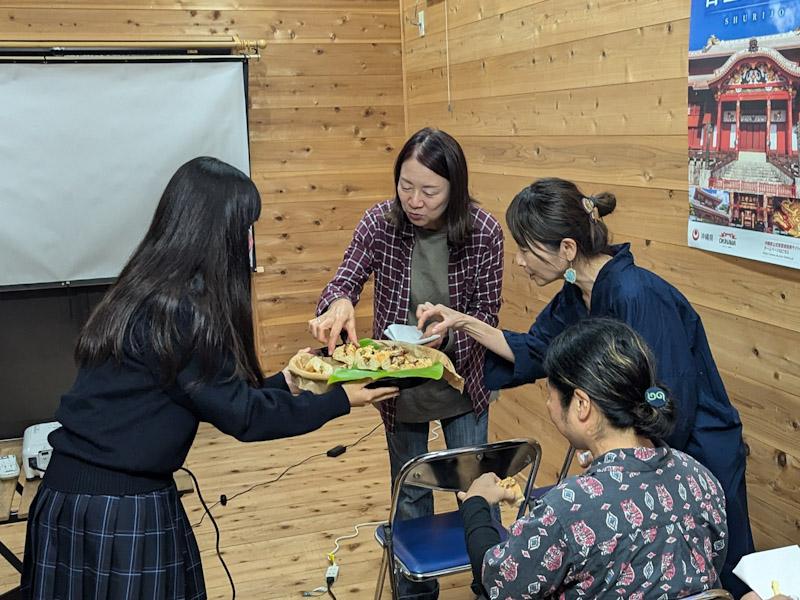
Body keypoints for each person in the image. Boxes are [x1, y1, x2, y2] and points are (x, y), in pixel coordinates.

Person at [20, 157, 398, 600]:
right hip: (118, 509)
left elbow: (219, 394)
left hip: (73, 496)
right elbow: (245, 418)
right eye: (244, 230)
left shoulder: (144, 288)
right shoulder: (183, 311)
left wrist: (291, 381)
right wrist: (340, 400)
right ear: (218, 234)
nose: (249, 242)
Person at [416, 177, 753, 597]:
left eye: (526, 249)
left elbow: (664, 397)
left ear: (568, 250)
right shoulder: (577, 292)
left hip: (690, 451)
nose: (519, 261)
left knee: (722, 578)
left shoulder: (639, 296)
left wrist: (621, 465)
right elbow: (535, 350)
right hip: (643, 459)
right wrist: (461, 323)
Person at [308, 128, 504, 599]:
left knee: (474, 486)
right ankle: (416, 592)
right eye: (405, 186)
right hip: (399, 380)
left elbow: (488, 315)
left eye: (430, 191)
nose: (414, 200)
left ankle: (494, 582)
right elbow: (346, 278)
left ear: (454, 188)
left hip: (462, 378)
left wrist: (451, 329)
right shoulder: (380, 221)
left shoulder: (484, 232)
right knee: (410, 486)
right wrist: (337, 304)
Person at [459, 318, 729, 599]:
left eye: (550, 393)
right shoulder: (700, 478)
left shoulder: (565, 510)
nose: (549, 404)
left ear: (581, 404)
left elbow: (498, 585)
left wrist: (476, 504)